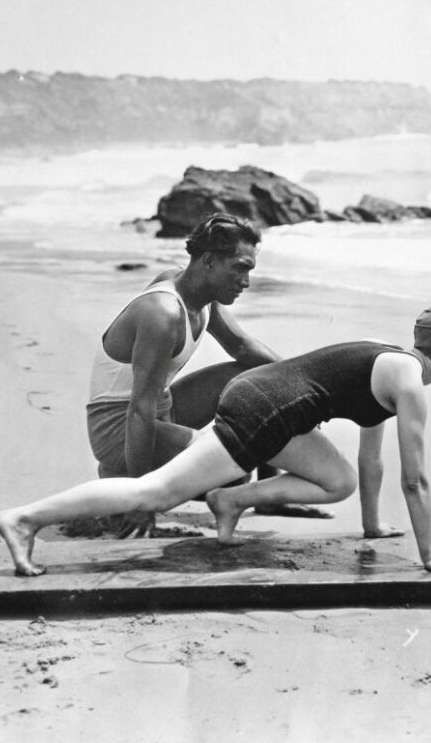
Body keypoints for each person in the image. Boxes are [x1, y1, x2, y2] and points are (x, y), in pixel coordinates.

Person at [0, 304, 431, 581]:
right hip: (261, 408)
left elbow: (370, 460)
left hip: (276, 405)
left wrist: (373, 528)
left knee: (339, 481)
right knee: (156, 493)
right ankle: (23, 519)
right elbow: (414, 481)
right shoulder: (410, 383)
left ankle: (229, 500)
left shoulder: (397, 370)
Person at [85, 212, 329, 537]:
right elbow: (139, 411)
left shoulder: (199, 296)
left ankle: (269, 492)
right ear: (210, 261)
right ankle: (120, 477)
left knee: (257, 379)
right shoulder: (163, 314)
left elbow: (241, 347)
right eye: (240, 268)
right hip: (120, 428)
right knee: (232, 474)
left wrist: (303, 388)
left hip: (160, 409)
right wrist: (141, 501)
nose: (246, 282)